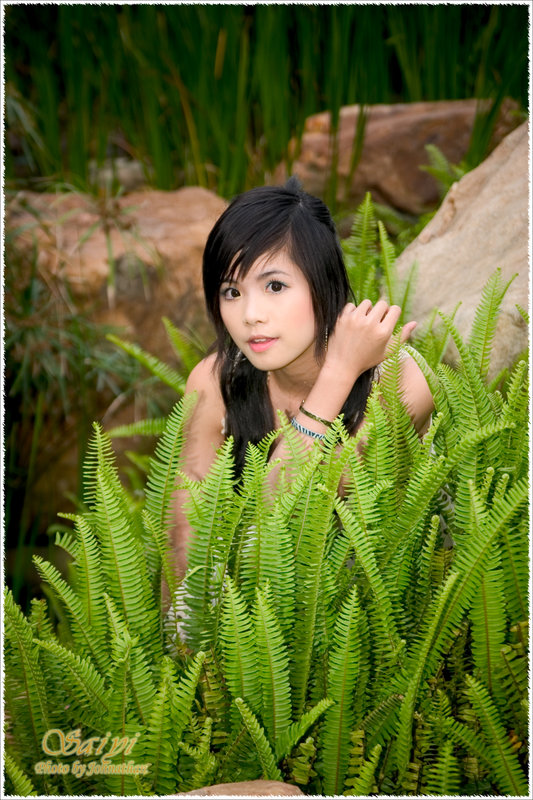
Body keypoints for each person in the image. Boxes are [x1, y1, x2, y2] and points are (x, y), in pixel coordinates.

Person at [172, 177, 434, 573]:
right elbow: (185, 541)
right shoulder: (215, 382)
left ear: (324, 284)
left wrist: (340, 372)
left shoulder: (399, 382)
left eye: (275, 286)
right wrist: (184, 618)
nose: (250, 315)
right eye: (232, 292)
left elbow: (288, 519)